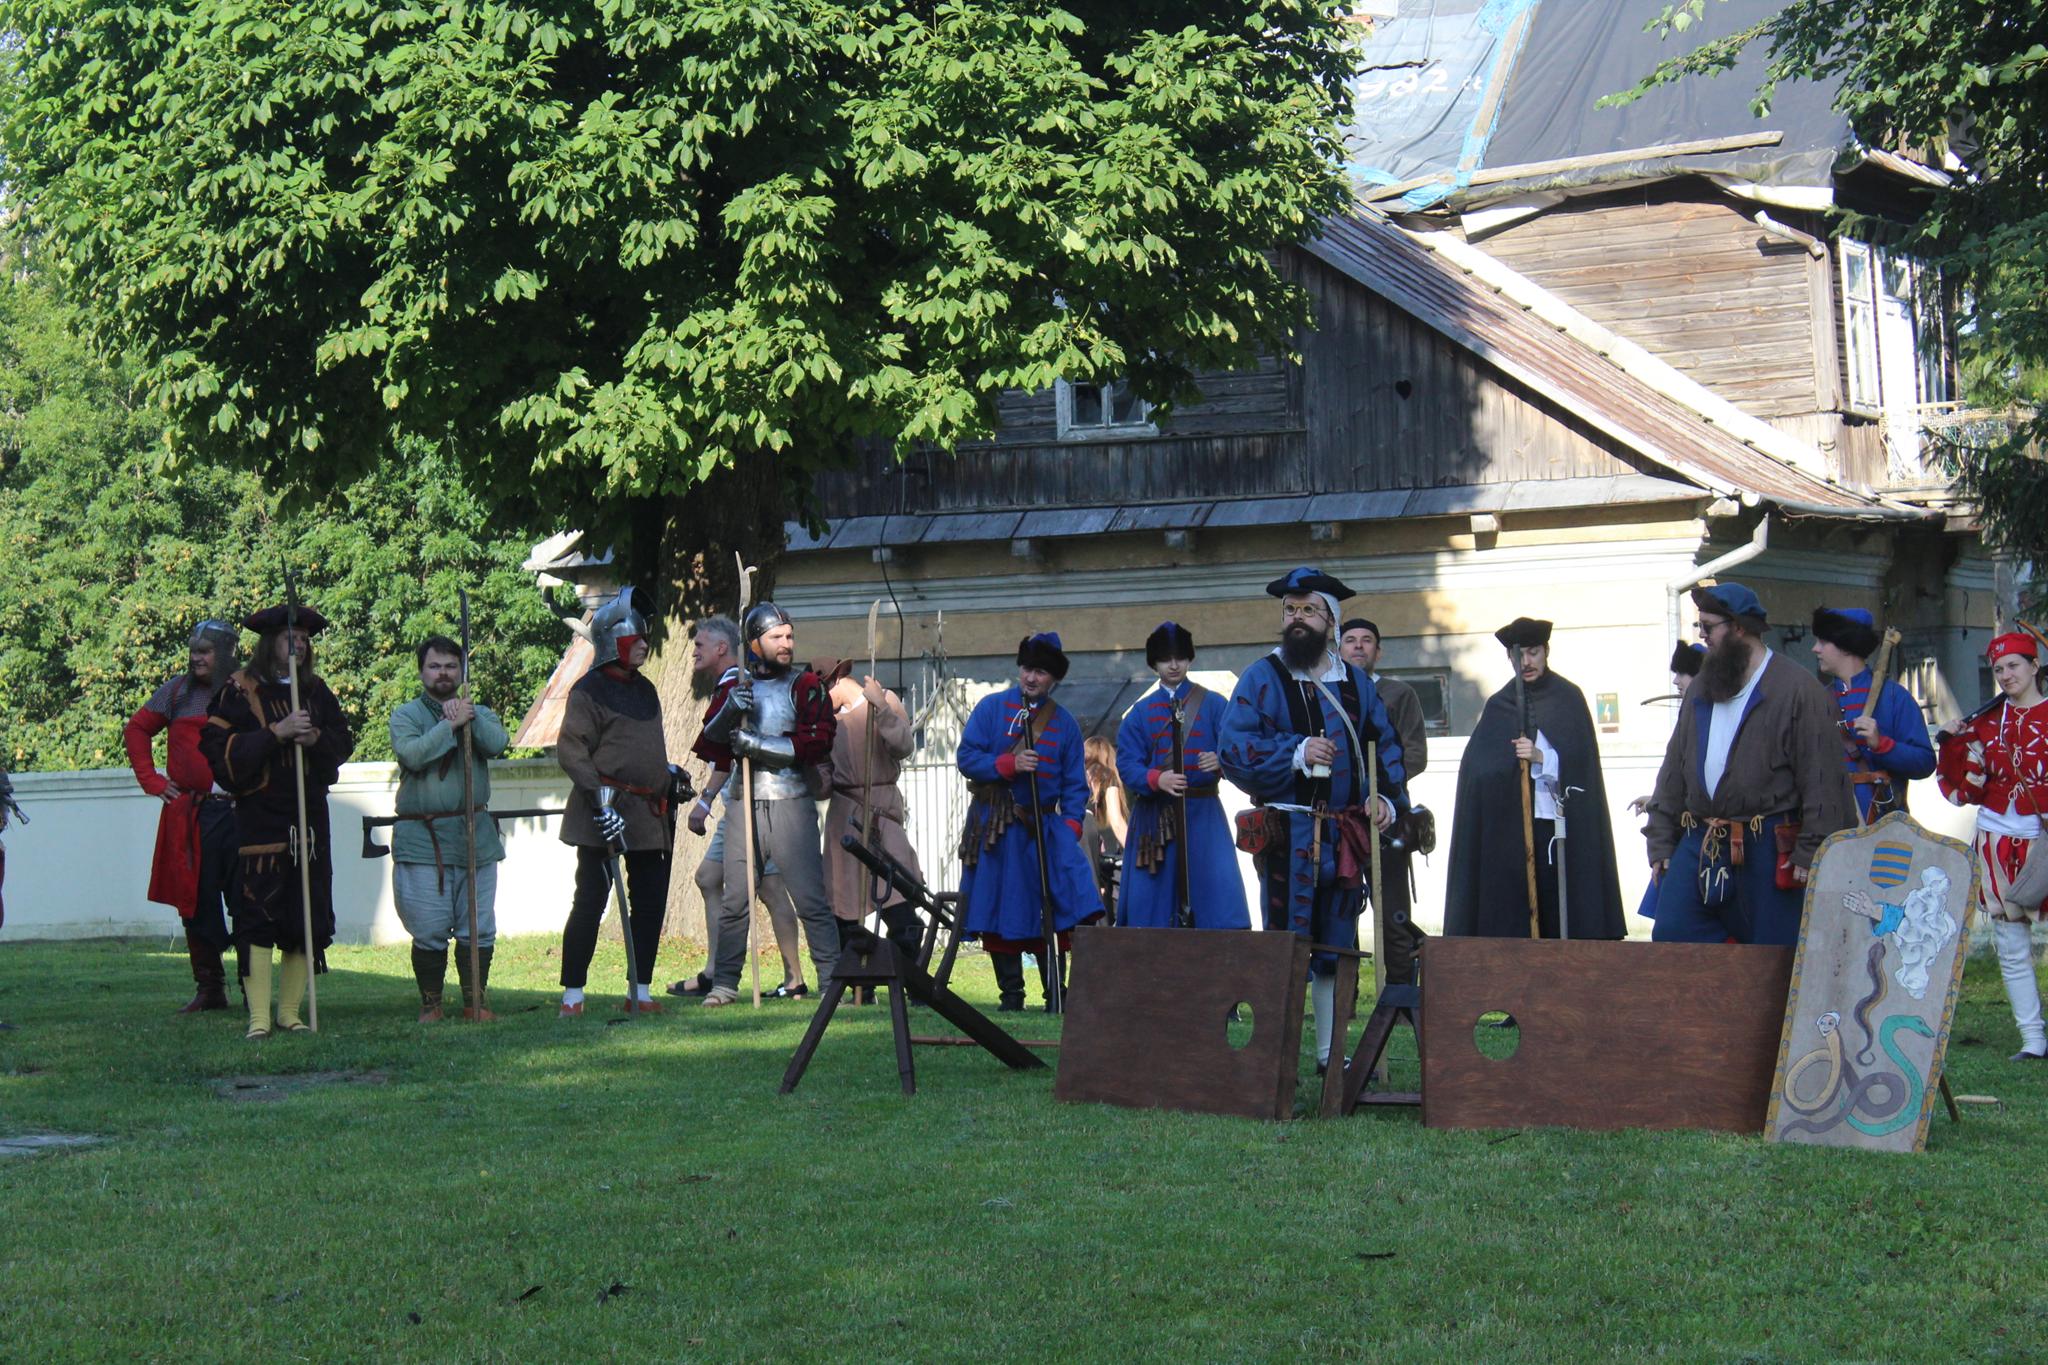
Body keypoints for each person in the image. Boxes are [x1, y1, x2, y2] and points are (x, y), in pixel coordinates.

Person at [1219, 568, 1406, 1073]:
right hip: (1288, 835)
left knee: (1336, 946)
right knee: (1285, 945)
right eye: (1290, 610)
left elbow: (1386, 747)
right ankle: (1273, 1059)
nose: (1297, 618)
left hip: (1345, 837)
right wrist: (1296, 751)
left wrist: (1385, 799)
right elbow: (1233, 749)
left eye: (1308, 610)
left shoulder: (1356, 684)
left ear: (1331, 620)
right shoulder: (1261, 678)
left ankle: (1329, 1055)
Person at [1645, 583, 1853, 945]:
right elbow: (1674, 767)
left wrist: (1811, 849)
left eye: (1708, 627)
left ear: (1739, 627)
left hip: (1767, 845)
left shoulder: (1797, 690)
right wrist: (1661, 837)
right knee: (1673, 937)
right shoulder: (1702, 688)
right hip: (1701, 840)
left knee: (1771, 957)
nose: (1702, 636)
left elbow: (1823, 778)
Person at [199, 604, 355, 1039]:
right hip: (262, 822)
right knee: (258, 913)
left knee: (306, 914)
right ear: (271, 643)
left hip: (310, 821)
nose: (299, 646)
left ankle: (289, 1012)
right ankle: (259, 1017)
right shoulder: (239, 689)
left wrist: (315, 737)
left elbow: (342, 742)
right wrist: (276, 733)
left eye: (304, 639)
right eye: (291, 639)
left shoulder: (316, 691)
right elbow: (217, 750)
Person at [1445, 618, 1624, 941]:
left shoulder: (1568, 698)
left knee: (1563, 909)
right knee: (1517, 914)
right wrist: (1504, 769)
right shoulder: (1499, 704)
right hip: (1512, 832)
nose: (1526, 662)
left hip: (1562, 828)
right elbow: (1478, 772)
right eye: (1519, 656)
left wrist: (1542, 756)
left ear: (1546, 651)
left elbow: (1582, 764)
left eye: (1533, 653)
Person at [698, 601, 839, 1007]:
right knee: (735, 899)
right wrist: (730, 710)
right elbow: (711, 742)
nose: (786, 643)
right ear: (755, 643)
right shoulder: (737, 687)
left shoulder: (805, 685)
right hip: (743, 801)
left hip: (790, 800)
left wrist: (757, 744)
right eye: (777, 636)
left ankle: (832, 981)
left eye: (789, 636)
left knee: (810, 900)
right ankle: (725, 984)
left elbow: (817, 741)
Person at [957, 632, 1104, 1010]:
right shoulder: (991, 709)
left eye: (1040, 671)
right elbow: (967, 757)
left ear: (1053, 677)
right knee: (999, 908)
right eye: (1027, 669)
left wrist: (1070, 827)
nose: (1031, 677)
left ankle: (1056, 991)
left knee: (1052, 909)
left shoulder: (1065, 724)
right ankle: (1011, 995)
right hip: (997, 827)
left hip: (1043, 830)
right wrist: (1007, 764)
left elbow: (1075, 786)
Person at [555, 588, 681, 1017]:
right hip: (602, 811)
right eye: (636, 638)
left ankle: (639, 990)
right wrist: (599, 800)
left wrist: (668, 777)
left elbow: (643, 749)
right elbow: (572, 750)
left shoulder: (646, 691)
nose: (644, 644)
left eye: (645, 637)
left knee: (649, 904)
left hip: (646, 814)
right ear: (614, 641)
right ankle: (573, 994)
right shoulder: (587, 691)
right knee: (590, 901)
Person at [669, 616, 810, 1000]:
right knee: (709, 877)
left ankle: (793, 978)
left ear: (721, 648)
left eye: (700, 645)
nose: (694, 652)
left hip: (758, 802)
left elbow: (730, 755)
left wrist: (704, 801)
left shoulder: (739, 686)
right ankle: (717, 971)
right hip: (740, 801)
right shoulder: (730, 686)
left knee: (770, 886)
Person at [1937, 631, 2048, 1060]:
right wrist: (1952, 743)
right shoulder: (1984, 724)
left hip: (2044, 841)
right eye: (1998, 669)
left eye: (2014, 665)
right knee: (2010, 940)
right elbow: (1964, 789)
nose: (2006, 675)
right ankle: (2033, 1040)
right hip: (1997, 839)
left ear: (2034, 667)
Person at [122, 620, 242, 1012]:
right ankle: (210, 989)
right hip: (194, 814)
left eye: (205, 651)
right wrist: (152, 780)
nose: (196, 658)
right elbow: (137, 729)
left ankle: (253, 991)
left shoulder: (246, 689)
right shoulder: (177, 692)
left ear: (225, 653)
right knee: (196, 900)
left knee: (247, 900)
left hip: (241, 813)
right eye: (193, 650)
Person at [388, 634, 509, 1022]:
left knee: (478, 925)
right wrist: (449, 725)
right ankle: (432, 1004)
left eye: (451, 666)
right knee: (429, 926)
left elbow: (498, 743)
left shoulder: (480, 712)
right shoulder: (406, 715)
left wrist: (469, 718)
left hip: (475, 836)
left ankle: (476, 1003)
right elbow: (412, 755)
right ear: (422, 671)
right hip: (424, 840)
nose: (443, 673)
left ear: (462, 671)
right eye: (435, 666)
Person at [1114, 621, 1247, 930]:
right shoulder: (1140, 713)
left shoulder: (1215, 704)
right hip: (1154, 816)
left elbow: (1238, 750)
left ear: (1189, 659)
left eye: (1180, 657)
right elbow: (1127, 764)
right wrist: (1156, 779)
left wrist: (1221, 761)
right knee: (1152, 906)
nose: (1173, 665)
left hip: (1203, 815)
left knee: (1213, 896)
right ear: (1154, 664)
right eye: (1165, 659)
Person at [1338, 617, 1428, 981]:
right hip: (1340, 820)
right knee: (1341, 910)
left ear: (1379, 651)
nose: (1358, 646)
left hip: (1386, 819)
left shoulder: (1398, 694)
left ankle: (1401, 991)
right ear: (1338, 649)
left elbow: (1414, 754)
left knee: (1392, 911)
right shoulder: (1326, 695)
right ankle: (1343, 995)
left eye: (1367, 640)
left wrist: (1382, 794)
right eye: (1350, 640)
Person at [822, 661, 927, 967]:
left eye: (822, 691)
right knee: (844, 904)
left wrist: (880, 706)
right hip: (844, 816)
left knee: (897, 895)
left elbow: (903, 746)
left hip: (882, 813)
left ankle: (905, 974)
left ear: (836, 680)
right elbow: (822, 784)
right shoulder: (828, 722)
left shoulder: (884, 700)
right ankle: (858, 980)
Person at [1810, 606, 1935, 822]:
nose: (1815, 649)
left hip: (1883, 826)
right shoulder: (1816, 701)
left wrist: (1882, 745)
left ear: (1845, 646)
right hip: (1832, 827)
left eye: (1822, 642)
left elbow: (1924, 763)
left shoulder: (1895, 698)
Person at [1082, 735, 1129, 918]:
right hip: (1086, 831)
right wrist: (1134, 852)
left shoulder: (1077, 774)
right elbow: (1117, 822)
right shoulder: (1106, 775)